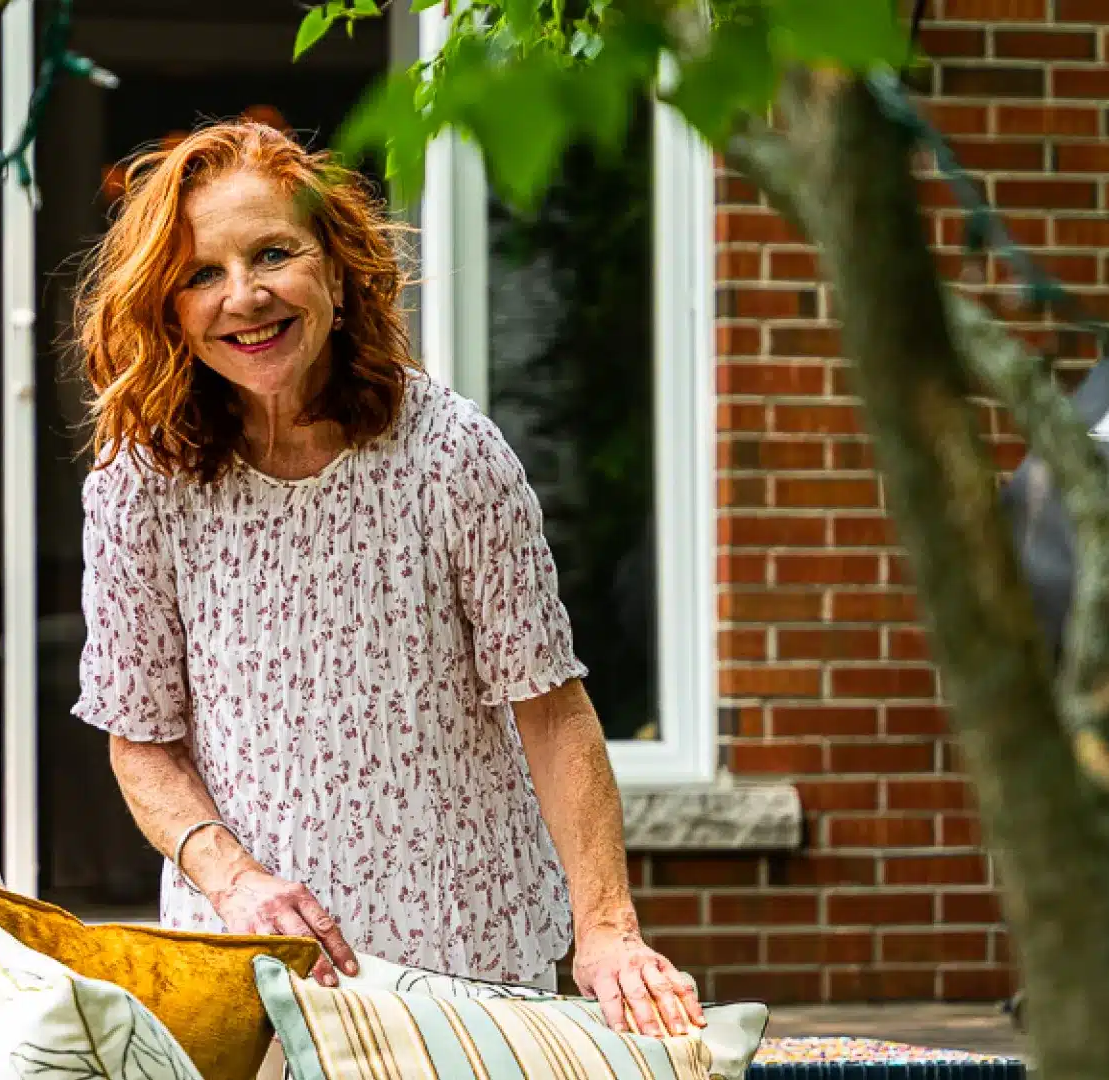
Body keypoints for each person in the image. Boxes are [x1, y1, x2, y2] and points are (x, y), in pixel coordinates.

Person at [69, 119, 702, 1038]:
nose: (243, 297)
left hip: (474, 969)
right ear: (166, 308)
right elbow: (144, 742)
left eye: (273, 254)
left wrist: (606, 932)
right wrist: (236, 882)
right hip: (259, 979)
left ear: (334, 269)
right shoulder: (140, 485)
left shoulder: (451, 454)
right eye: (200, 274)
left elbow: (551, 709)